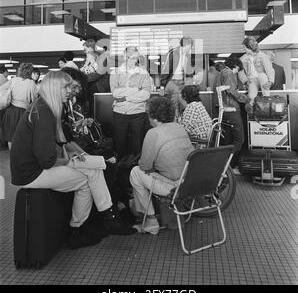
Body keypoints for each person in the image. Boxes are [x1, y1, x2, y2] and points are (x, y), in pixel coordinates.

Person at [10, 71, 135, 250]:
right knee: (87, 178)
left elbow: (53, 149)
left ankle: (104, 218)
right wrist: (71, 160)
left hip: (30, 168)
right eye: (66, 87)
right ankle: (81, 227)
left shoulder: (43, 107)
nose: (70, 91)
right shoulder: (44, 112)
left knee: (92, 169)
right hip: (31, 173)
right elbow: (47, 159)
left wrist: (70, 158)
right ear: (54, 88)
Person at [130, 96, 193, 234]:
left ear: (152, 116)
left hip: (173, 187)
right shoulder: (179, 127)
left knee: (135, 172)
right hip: (191, 183)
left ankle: (151, 221)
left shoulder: (153, 133)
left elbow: (145, 167)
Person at [110, 46, 151, 160]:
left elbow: (146, 94)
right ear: (124, 56)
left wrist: (126, 97)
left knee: (137, 147)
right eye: (131, 58)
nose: (134, 60)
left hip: (138, 113)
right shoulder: (115, 72)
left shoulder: (143, 73)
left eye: (136, 58)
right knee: (119, 146)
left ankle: (136, 172)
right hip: (119, 113)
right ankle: (119, 173)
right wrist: (135, 90)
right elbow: (115, 93)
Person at [216, 57, 250, 174]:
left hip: (225, 110)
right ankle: (230, 166)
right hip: (232, 109)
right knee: (239, 139)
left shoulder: (222, 72)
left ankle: (224, 166)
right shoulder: (228, 72)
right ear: (234, 66)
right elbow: (231, 91)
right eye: (237, 70)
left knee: (228, 140)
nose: (237, 72)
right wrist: (246, 99)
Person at [160, 36, 199, 118]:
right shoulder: (173, 53)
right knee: (176, 100)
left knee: (186, 101)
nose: (191, 48)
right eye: (191, 46)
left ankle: (184, 119)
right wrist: (162, 87)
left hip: (181, 82)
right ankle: (176, 123)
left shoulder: (187, 56)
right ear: (186, 45)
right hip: (171, 82)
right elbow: (166, 70)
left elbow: (189, 73)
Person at [2, 63, 38, 150]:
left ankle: (12, 158)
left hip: (11, 111)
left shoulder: (13, 80)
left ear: (20, 70)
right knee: (22, 137)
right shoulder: (31, 83)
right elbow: (34, 99)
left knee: (11, 137)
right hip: (23, 112)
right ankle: (20, 158)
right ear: (30, 72)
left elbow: (1, 89)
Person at [240, 36, 275, 107]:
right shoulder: (243, 58)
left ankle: (267, 101)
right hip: (252, 80)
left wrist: (270, 81)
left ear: (250, 46)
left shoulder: (262, 56)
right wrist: (245, 81)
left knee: (262, 75)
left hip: (263, 80)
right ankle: (252, 108)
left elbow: (269, 69)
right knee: (251, 96)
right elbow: (240, 72)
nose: (244, 49)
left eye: (245, 48)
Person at [0, 65, 9, 149]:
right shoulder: (4, 80)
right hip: (2, 107)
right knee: (3, 125)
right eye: (7, 71)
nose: (8, 73)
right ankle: (3, 144)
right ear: (4, 71)